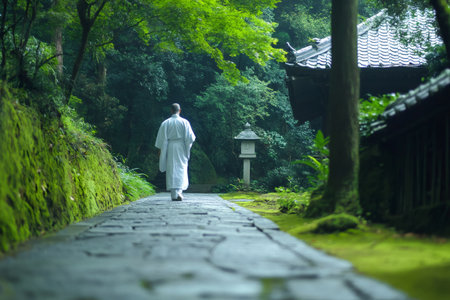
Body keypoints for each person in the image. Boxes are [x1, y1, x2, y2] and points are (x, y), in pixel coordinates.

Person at [155, 103, 196, 201]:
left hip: (170, 147)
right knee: (181, 168)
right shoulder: (185, 122)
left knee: (171, 169)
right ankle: (179, 192)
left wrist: (161, 151)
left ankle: (174, 194)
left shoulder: (165, 123)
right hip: (181, 147)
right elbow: (190, 138)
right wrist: (187, 148)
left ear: (171, 110)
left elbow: (161, 140)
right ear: (180, 110)